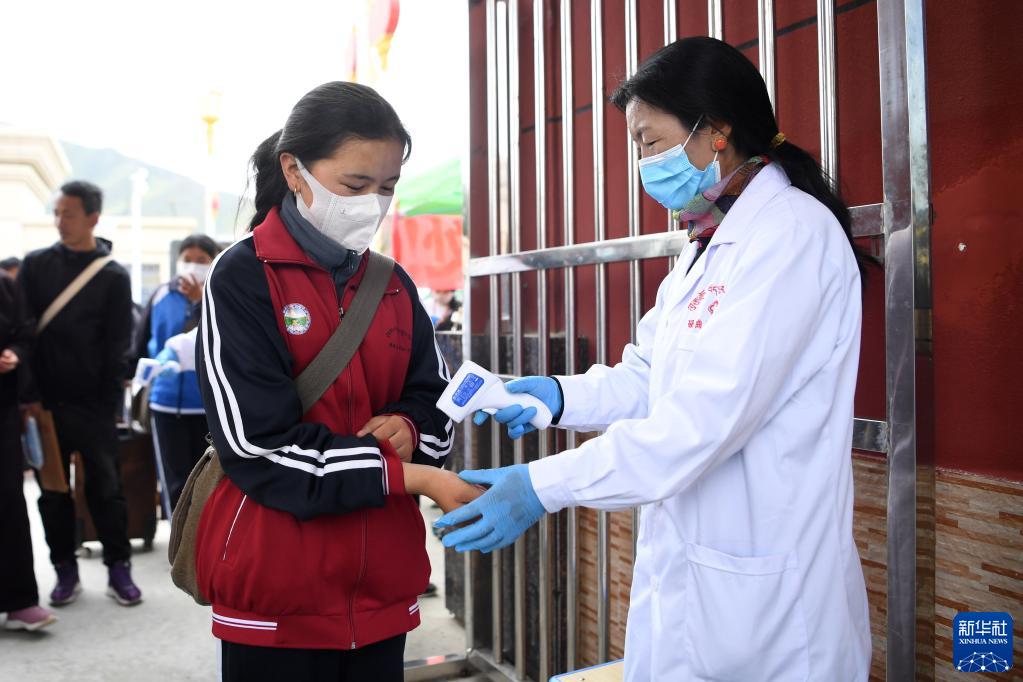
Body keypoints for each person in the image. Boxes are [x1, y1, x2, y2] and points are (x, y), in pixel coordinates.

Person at [437, 37, 871, 681]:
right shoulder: (704, 244)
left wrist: (542, 485)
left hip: (773, 609)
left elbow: (701, 421)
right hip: (695, 582)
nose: (642, 163)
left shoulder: (791, 235)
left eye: (650, 141)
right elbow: (651, 374)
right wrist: (558, 395)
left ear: (716, 130)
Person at [195, 81, 482, 682]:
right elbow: (256, 445)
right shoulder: (242, 275)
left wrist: (409, 428)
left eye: (387, 187)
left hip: (381, 591)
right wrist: (410, 475)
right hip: (277, 594)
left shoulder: (393, 284)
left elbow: (436, 407)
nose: (372, 205)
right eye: (355, 185)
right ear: (294, 171)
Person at [17, 180, 141, 607]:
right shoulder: (35, 266)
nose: (60, 222)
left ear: (92, 218)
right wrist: (29, 396)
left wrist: (108, 404)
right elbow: (24, 333)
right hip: (44, 404)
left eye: (68, 214)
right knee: (53, 492)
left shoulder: (112, 276)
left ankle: (118, 568)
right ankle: (64, 570)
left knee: (107, 489)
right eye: (56, 214)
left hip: (94, 406)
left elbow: (119, 344)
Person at [132, 234, 220, 520]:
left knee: (209, 479)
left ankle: (205, 539)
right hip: (166, 403)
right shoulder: (161, 295)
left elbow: (220, 338)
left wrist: (200, 301)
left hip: (208, 404)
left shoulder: (220, 294)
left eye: (201, 260)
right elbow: (141, 342)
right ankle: (177, 537)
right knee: (174, 481)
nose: (192, 265)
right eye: (187, 259)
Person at [0, 270, 57, 631]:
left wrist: (14, 354)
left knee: (8, 500)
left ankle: (19, 600)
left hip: (2, 409)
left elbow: (24, 332)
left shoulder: (5, 285)